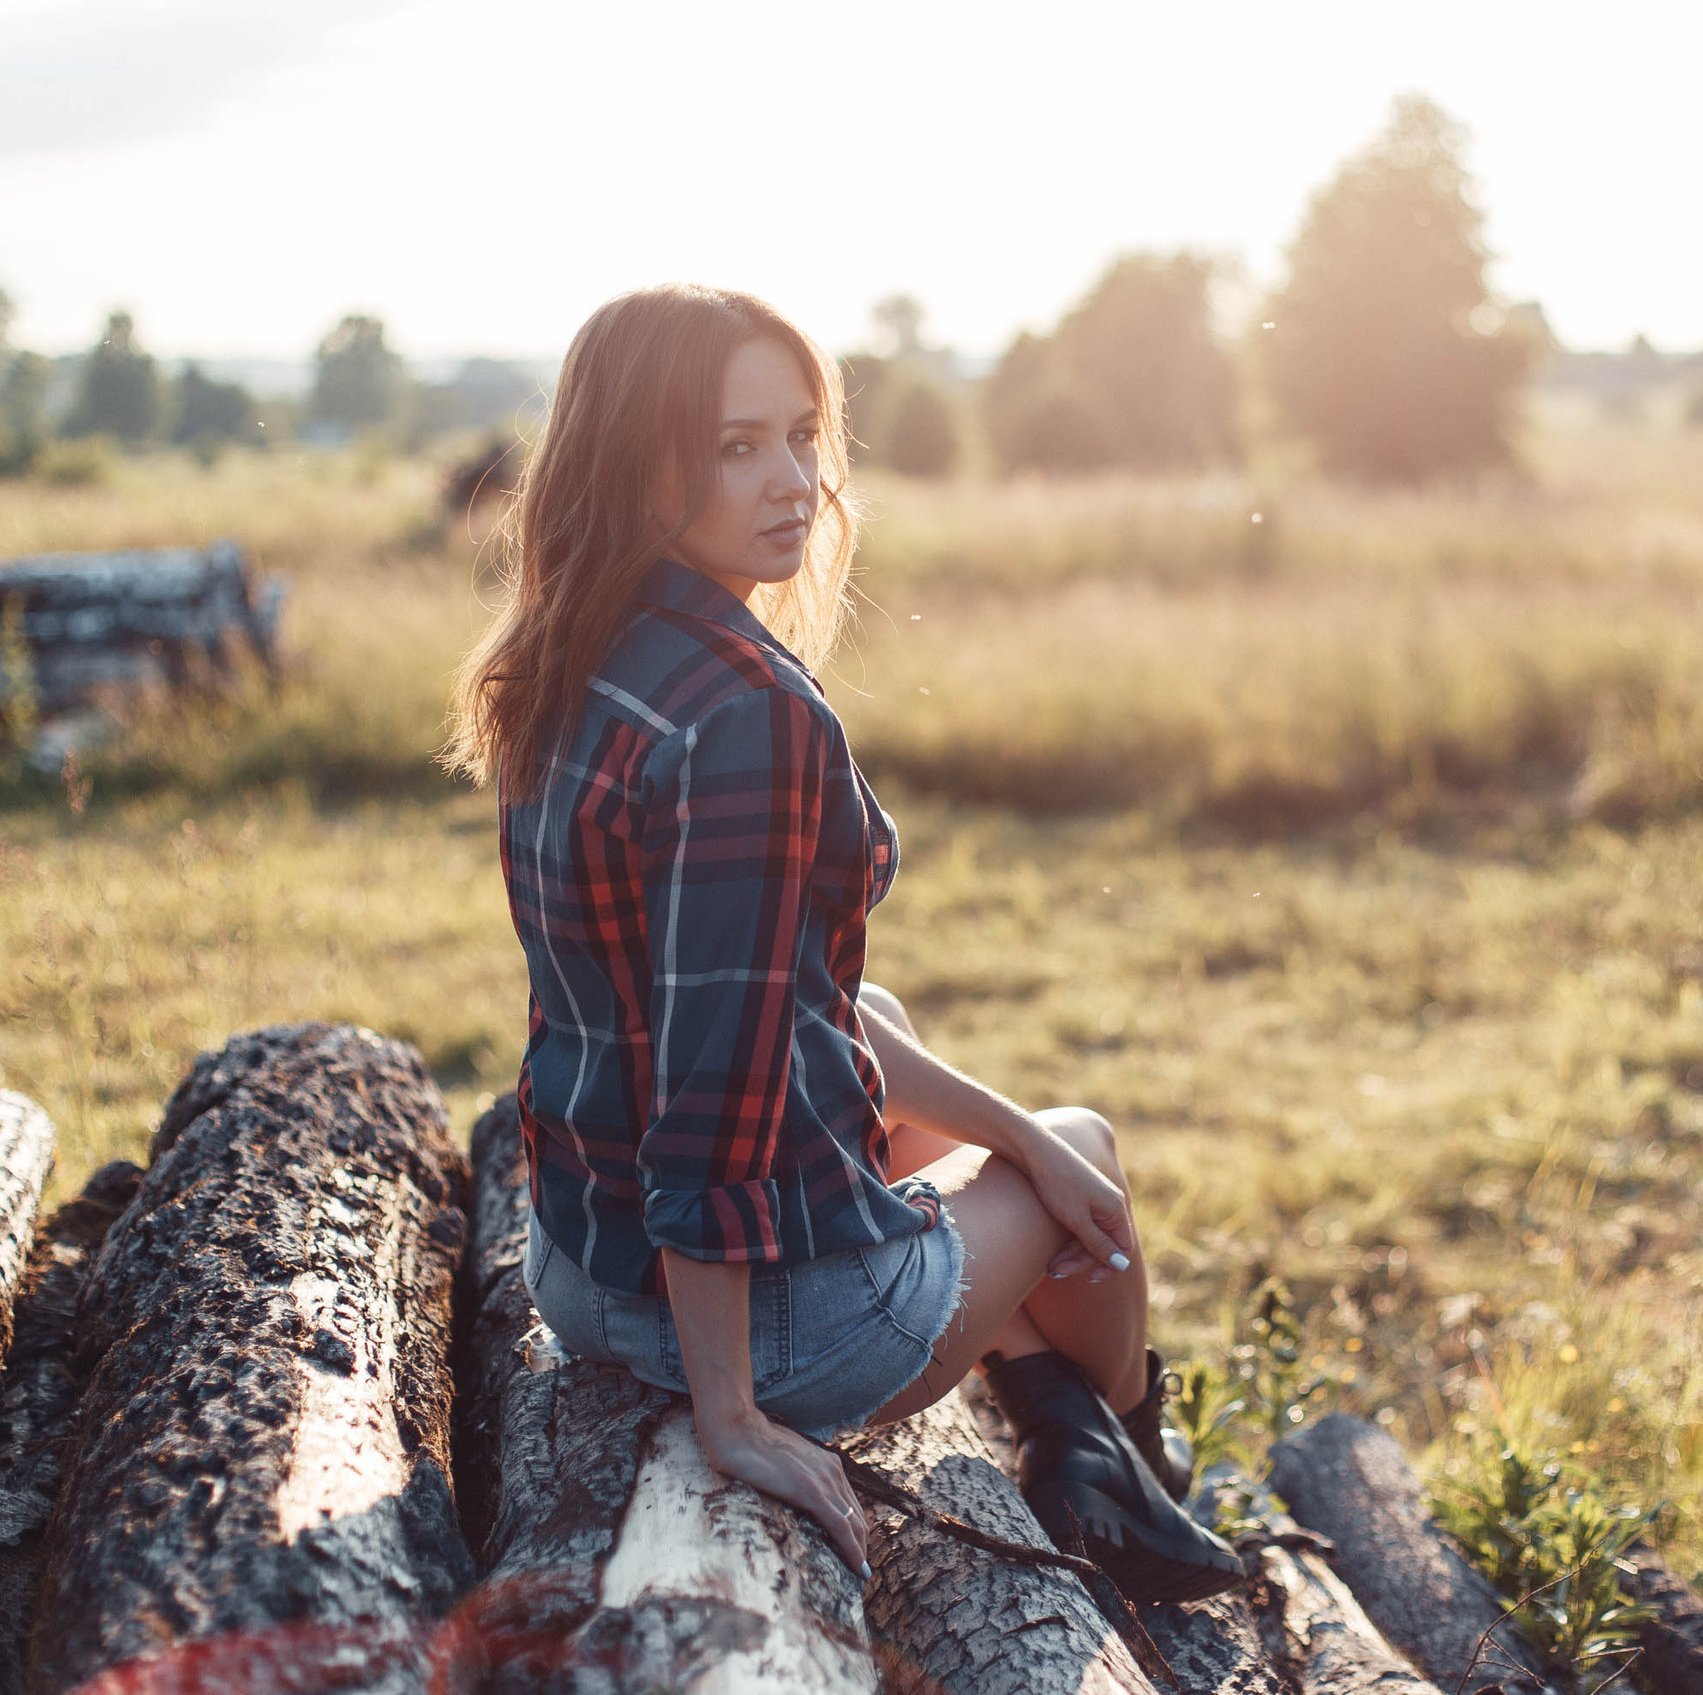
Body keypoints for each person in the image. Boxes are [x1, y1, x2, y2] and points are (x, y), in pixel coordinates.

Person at [443, 284, 1242, 1604]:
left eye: (802, 435)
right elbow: (711, 1093)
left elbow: (771, 998)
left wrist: (1012, 1137)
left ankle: (1075, 1436)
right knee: (1090, 1149)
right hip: (767, 1331)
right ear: (634, 457)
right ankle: (1126, 1454)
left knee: (936, 1059)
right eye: (734, 445)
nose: (793, 480)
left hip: (583, 1268)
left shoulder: (571, 657)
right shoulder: (747, 714)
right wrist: (736, 1413)